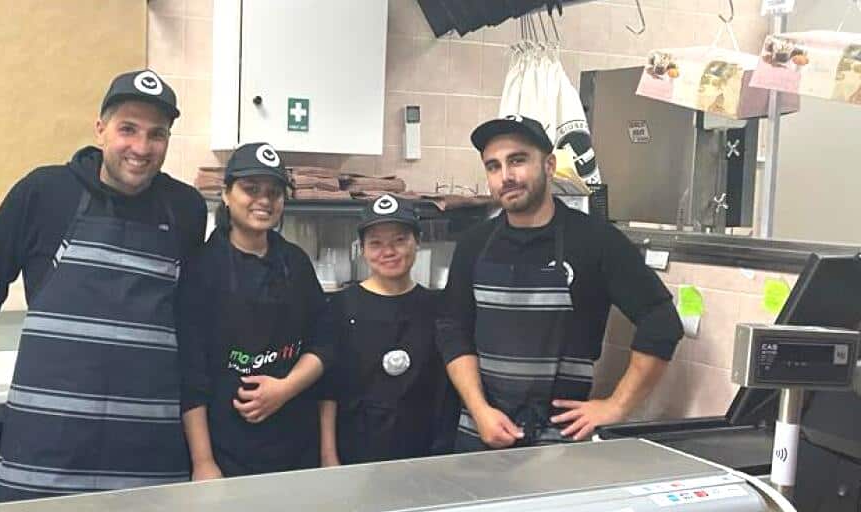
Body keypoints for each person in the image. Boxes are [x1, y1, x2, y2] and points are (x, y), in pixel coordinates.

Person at [0, 69, 207, 499]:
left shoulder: (185, 209)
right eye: (128, 129)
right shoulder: (45, 192)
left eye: (156, 134)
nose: (141, 147)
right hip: (49, 440)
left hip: (148, 441)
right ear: (100, 129)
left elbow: (191, 323)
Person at [436, 115, 683, 452]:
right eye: (493, 166)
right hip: (482, 434)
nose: (506, 176)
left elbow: (661, 320)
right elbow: (453, 329)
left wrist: (616, 406)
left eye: (518, 160)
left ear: (549, 166)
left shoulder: (596, 241)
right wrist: (479, 411)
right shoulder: (474, 244)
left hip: (559, 442)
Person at [177, 143, 334, 479]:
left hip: (297, 448)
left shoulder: (295, 262)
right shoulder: (202, 267)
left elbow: (324, 343)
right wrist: (203, 462)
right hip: (228, 452)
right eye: (251, 189)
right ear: (226, 194)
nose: (264, 200)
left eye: (274, 192)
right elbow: (191, 375)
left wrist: (285, 388)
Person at [319, 194, 459, 466]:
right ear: (362, 249)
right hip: (356, 449)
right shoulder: (340, 306)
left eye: (399, 240)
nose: (389, 251)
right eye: (376, 243)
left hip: (423, 451)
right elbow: (328, 390)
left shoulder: (438, 307)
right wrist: (328, 456)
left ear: (417, 242)